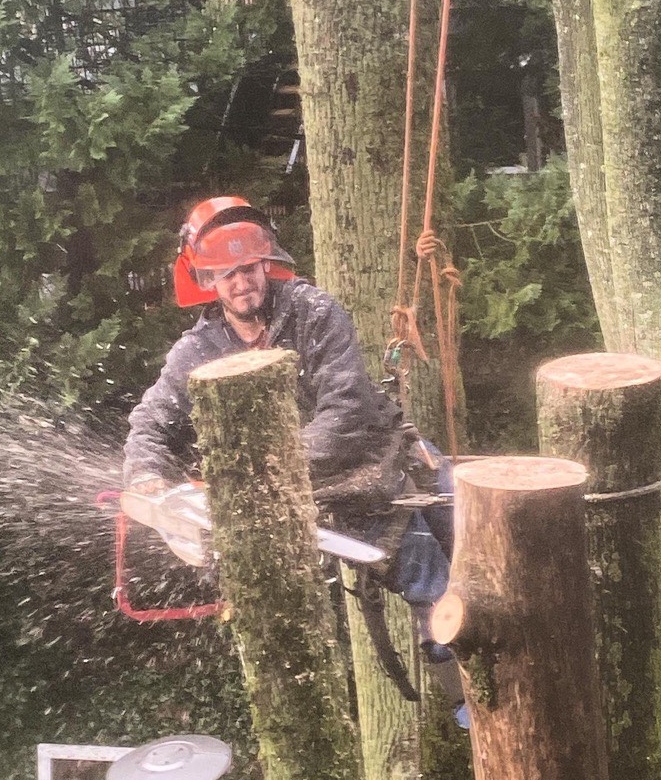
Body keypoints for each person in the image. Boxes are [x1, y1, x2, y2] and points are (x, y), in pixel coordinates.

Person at [123, 197, 465, 718]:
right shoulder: (197, 353)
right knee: (435, 586)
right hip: (341, 501)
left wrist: (273, 472)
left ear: (267, 263)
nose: (242, 283)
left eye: (249, 268)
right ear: (208, 281)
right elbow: (150, 423)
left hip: (386, 450)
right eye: (227, 273)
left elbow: (346, 405)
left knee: (477, 528)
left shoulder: (313, 310)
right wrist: (147, 479)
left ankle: (526, 650)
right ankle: (471, 705)